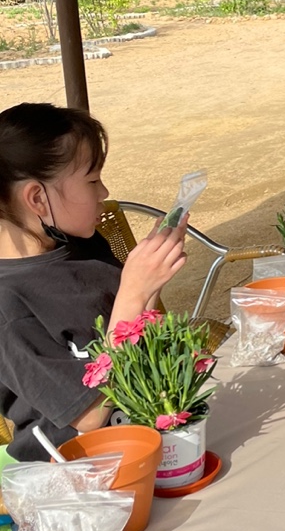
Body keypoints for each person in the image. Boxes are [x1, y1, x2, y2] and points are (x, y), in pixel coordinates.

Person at [0, 103, 189, 465]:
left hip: (149, 430)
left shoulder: (83, 246)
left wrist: (151, 278)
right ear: (37, 198)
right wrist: (134, 292)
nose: (104, 192)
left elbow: (137, 334)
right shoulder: (7, 304)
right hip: (76, 471)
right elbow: (88, 414)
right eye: (92, 181)